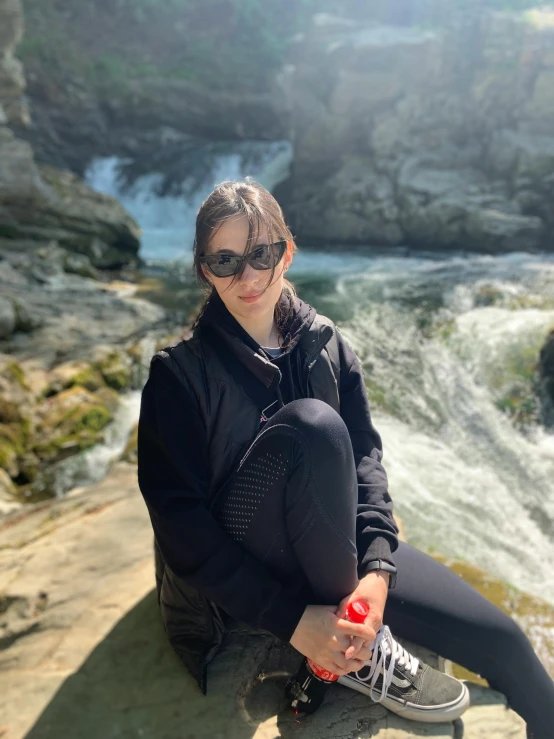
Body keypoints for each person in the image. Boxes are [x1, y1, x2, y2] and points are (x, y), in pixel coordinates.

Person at [137, 179, 554, 737]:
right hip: (239, 569)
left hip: (330, 549)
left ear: (287, 251)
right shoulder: (178, 377)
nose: (249, 276)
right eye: (226, 259)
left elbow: (365, 459)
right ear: (204, 269)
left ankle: (350, 637)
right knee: (312, 425)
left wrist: (378, 568)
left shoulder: (326, 343)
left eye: (262, 253)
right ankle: (358, 652)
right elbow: (180, 526)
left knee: (507, 643)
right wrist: (292, 622)